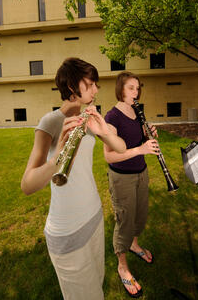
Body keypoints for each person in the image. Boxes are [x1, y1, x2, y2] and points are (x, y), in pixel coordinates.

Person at [21, 57, 126, 300]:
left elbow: (120, 147)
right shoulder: (50, 122)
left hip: (94, 217)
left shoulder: (90, 118)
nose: (96, 90)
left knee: (97, 285)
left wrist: (103, 132)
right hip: (67, 230)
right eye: (90, 84)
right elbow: (27, 185)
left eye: (96, 84)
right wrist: (57, 157)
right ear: (71, 87)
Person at [104, 71, 160, 298]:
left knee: (139, 216)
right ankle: (122, 266)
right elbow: (109, 156)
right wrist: (140, 149)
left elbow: (138, 139)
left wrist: (148, 134)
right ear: (120, 89)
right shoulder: (112, 117)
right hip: (122, 177)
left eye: (137, 88)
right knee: (125, 221)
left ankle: (135, 245)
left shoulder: (138, 111)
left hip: (141, 172)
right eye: (130, 88)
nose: (135, 92)